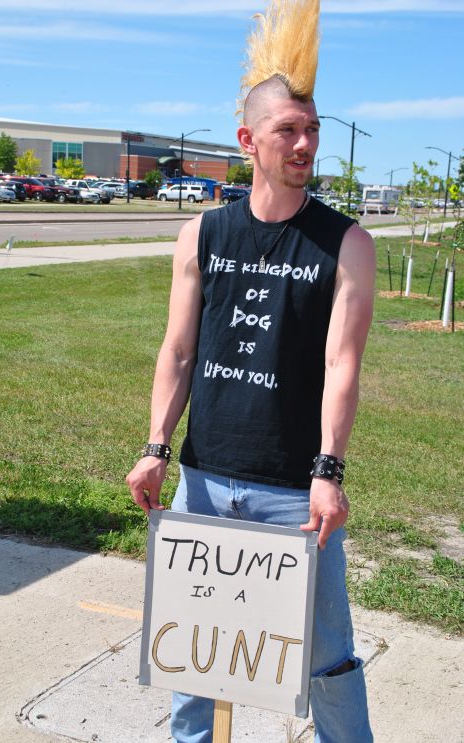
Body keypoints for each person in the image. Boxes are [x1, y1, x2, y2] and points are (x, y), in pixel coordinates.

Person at [127, 3, 375, 741]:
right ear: (248, 142)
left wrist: (329, 469)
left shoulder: (346, 244)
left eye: (312, 130)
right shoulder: (202, 233)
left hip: (294, 489)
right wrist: (155, 444)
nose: (305, 144)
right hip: (204, 477)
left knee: (327, 656)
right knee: (190, 645)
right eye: (287, 131)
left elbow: (343, 364)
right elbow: (177, 350)